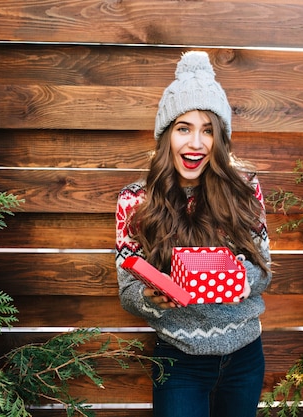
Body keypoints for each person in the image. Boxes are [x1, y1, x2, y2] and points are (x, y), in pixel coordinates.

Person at [115, 51, 272, 417]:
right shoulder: (134, 199)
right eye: (184, 128)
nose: (196, 143)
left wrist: (229, 280)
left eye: (208, 130)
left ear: (220, 139)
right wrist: (151, 296)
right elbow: (127, 290)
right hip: (179, 362)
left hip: (245, 358)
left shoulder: (245, 187)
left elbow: (263, 269)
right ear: (166, 135)